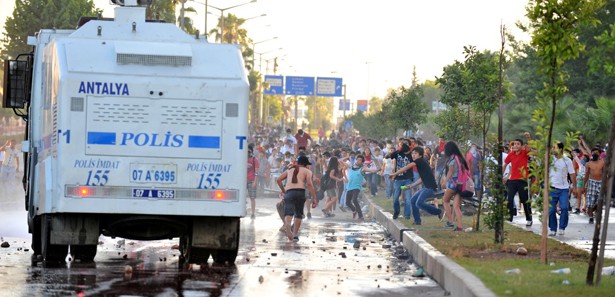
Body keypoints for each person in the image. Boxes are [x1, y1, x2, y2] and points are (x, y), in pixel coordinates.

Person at [390, 147, 443, 225]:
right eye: (412, 153)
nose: (413, 155)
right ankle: (417, 221)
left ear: (420, 155)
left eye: (415, 153)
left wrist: (395, 173)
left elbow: (406, 167)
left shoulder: (419, 161)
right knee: (413, 200)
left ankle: (439, 212)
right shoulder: (421, 163)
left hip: (430, 188)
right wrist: (411, 185)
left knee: (419, 203)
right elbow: (422, 178)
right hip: (426, 188)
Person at [276, 156, 317, 241]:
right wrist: (314, 197)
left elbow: (278, 180)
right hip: (300, 192)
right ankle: (295, 235)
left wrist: (284, 190)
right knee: (298, 214)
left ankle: (287, 225)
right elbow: (309, 184)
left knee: (288, 213)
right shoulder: (307, 171)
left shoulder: (289, 170)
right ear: (305, 164)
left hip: (289, 192)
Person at [503, 133, 533, 227]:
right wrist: (502, 175)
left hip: (522, 180)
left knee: (524, 200)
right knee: (509, 199)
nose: (515, 145)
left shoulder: (524, 153)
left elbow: (530, 149)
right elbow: (505, 165)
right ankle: (509, 218)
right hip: (512, 180)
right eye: (514, 144)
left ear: (521, 146)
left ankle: (529, 218)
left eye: (518, 144)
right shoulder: (511, 155)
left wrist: (528, 138)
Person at [548, 142, 578, 236]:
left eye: (554, 147)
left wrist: (575, 187)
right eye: (552, 147)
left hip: (564, 189)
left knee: (564, 208)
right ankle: (553, 229)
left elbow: (572, 174)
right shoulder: (549, 159)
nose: (553, 149)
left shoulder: (567, 160)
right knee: (551, 210)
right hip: (551, 188)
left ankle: (562, 227)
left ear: (560, 149)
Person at [440, 141, 469, 231]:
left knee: (445, 200)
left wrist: (445, 181)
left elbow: (451, 171)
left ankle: (450, 222)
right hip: (462, 184)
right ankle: (460, 226)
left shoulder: (452, 159)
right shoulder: (460, 158)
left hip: (454, 183)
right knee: (456, 206)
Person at [345, 154, 379, 220]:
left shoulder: (362, 169)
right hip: (349, 186)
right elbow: (340, 162)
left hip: (356, 187)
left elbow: (373, 170)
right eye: (357, 159)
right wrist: (346, 157)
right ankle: (354, 211)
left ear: (362, 162)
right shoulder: (351, 167)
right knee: (347, 202)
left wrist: (378, 165)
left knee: (354, 200)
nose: (358, 161)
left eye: (360, 160)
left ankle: (361, 216)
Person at [387, 144, 414, 219]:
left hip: (407, 180)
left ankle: (407, 215)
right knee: (395, 198)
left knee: (407, 198)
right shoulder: (397, 154)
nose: (408, 152)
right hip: (398, 180)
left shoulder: (411, 155)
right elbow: (389, 156)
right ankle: (396, 211)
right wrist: (397, 151)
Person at [583, 147, 604, 224]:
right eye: (594, 152)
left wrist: (607, 185)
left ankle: (597, 214)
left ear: (599, 154)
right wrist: (583, 186)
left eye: (597, 152)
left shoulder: (603, 162)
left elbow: (605, 174)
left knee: (600, 201)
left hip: (601, 183)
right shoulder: (588, 164)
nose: (595, 154)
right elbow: (586, 175)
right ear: (591, 154)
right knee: (590, 202)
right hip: (591, 183)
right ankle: (591, 217)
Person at [247, 147, 259, 219]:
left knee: (252, 198)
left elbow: (256, 172)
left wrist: (255, 181)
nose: (248, 152)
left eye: (249, 151)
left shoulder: (255, 160)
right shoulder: (242, 158)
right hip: (243, 181)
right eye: (247, 151)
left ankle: (252, 213)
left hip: (251, 181)